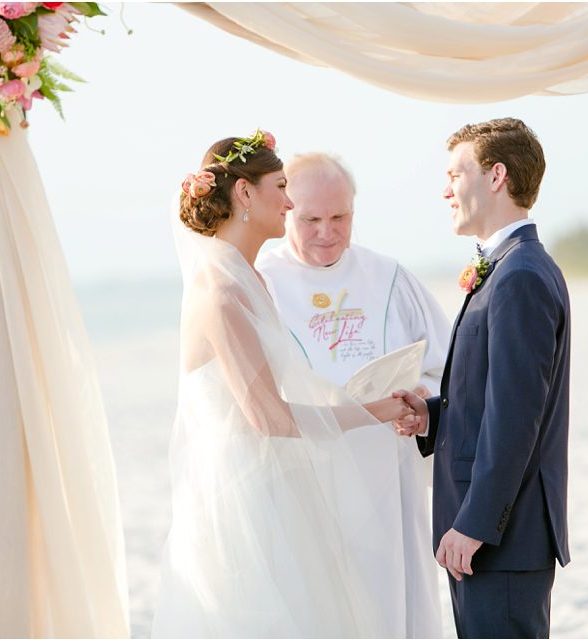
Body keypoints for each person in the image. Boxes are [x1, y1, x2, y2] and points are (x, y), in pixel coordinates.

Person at [151, 131, 416, 638]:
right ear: (245, 194)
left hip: (279, 487)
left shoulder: (252, 279)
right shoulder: (221, 292)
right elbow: (270, 419)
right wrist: (374, 411)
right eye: (280, 186)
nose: (290, 201)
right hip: (244, 503)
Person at [256, 152, 449, 638]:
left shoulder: (388, 277)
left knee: (389, 600)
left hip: (387, 467)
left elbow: (449, 364)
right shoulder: (260, 280)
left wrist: (420, 394)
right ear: (286, 212)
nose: (327, 231)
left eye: (339, 217)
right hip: (308, 474)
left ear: (354, 211)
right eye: (311, 219)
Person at [395, 118, 571, 638]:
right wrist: (430, 414)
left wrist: (475, 524)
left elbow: (517, 418)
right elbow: (493, 396)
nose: (445, 189)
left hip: (501, 535)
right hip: (491, 534)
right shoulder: (509, 265)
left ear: (496, 176)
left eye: (456, 172)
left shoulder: (519, 276)